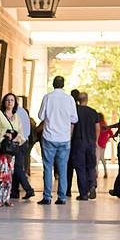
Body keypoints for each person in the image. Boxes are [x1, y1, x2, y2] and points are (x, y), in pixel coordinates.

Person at [37, 76, 78, 205]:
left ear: (53, 84)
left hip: (49, 137)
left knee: (48, 167)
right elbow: (74, 119)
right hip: (64, 138)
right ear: (63, 85)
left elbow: (40, 116)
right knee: (63, 168)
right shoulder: (70, 99)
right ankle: (62, 197)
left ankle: (47, 196)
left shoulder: (47, 97)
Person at [0, 93, 26, 207]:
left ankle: (6, 198)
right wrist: (4, 134)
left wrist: (15, 137)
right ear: (4, 102)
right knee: (2, 173)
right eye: (7, 100)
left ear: (15, 103)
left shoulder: (16, 117)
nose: (10, 102)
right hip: (2, 148)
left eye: (12, 100)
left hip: (12, 149)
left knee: (10, 174)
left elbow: (20, 132)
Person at [70, 93, 100, 200]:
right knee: (91, 166)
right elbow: (97, 127)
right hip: (91, 143)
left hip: (78, 143)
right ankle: (92, 185)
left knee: (80, 168)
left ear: (78, 100)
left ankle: (83, 194)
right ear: (87, 100)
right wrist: (95, 141)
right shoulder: (93, 112)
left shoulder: (75, 111)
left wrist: (69, 139)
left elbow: (72, 127)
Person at [11, 102, 35, 200]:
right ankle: (15, 191)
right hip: (24, 141)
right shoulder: (23, 112)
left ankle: (28, 189)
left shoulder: (15, 112)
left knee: (17, 168)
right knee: (16, 166)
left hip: (18, 142)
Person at [65, 89, 81, 197]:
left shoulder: (69, 109)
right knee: (80, 168)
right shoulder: (81, 110)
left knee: (68, 168)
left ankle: (67, 190)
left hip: (69, 141)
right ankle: (83, 191)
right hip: (79, 142)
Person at [96, 113, 114, 179]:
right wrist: (107, 139)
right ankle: (105, 172)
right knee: (102, 158)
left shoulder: (98, 124)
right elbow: (111, 133)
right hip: (103, 144)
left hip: (97, 143)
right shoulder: (105, 125)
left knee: (97, 158)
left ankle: (96, 173)